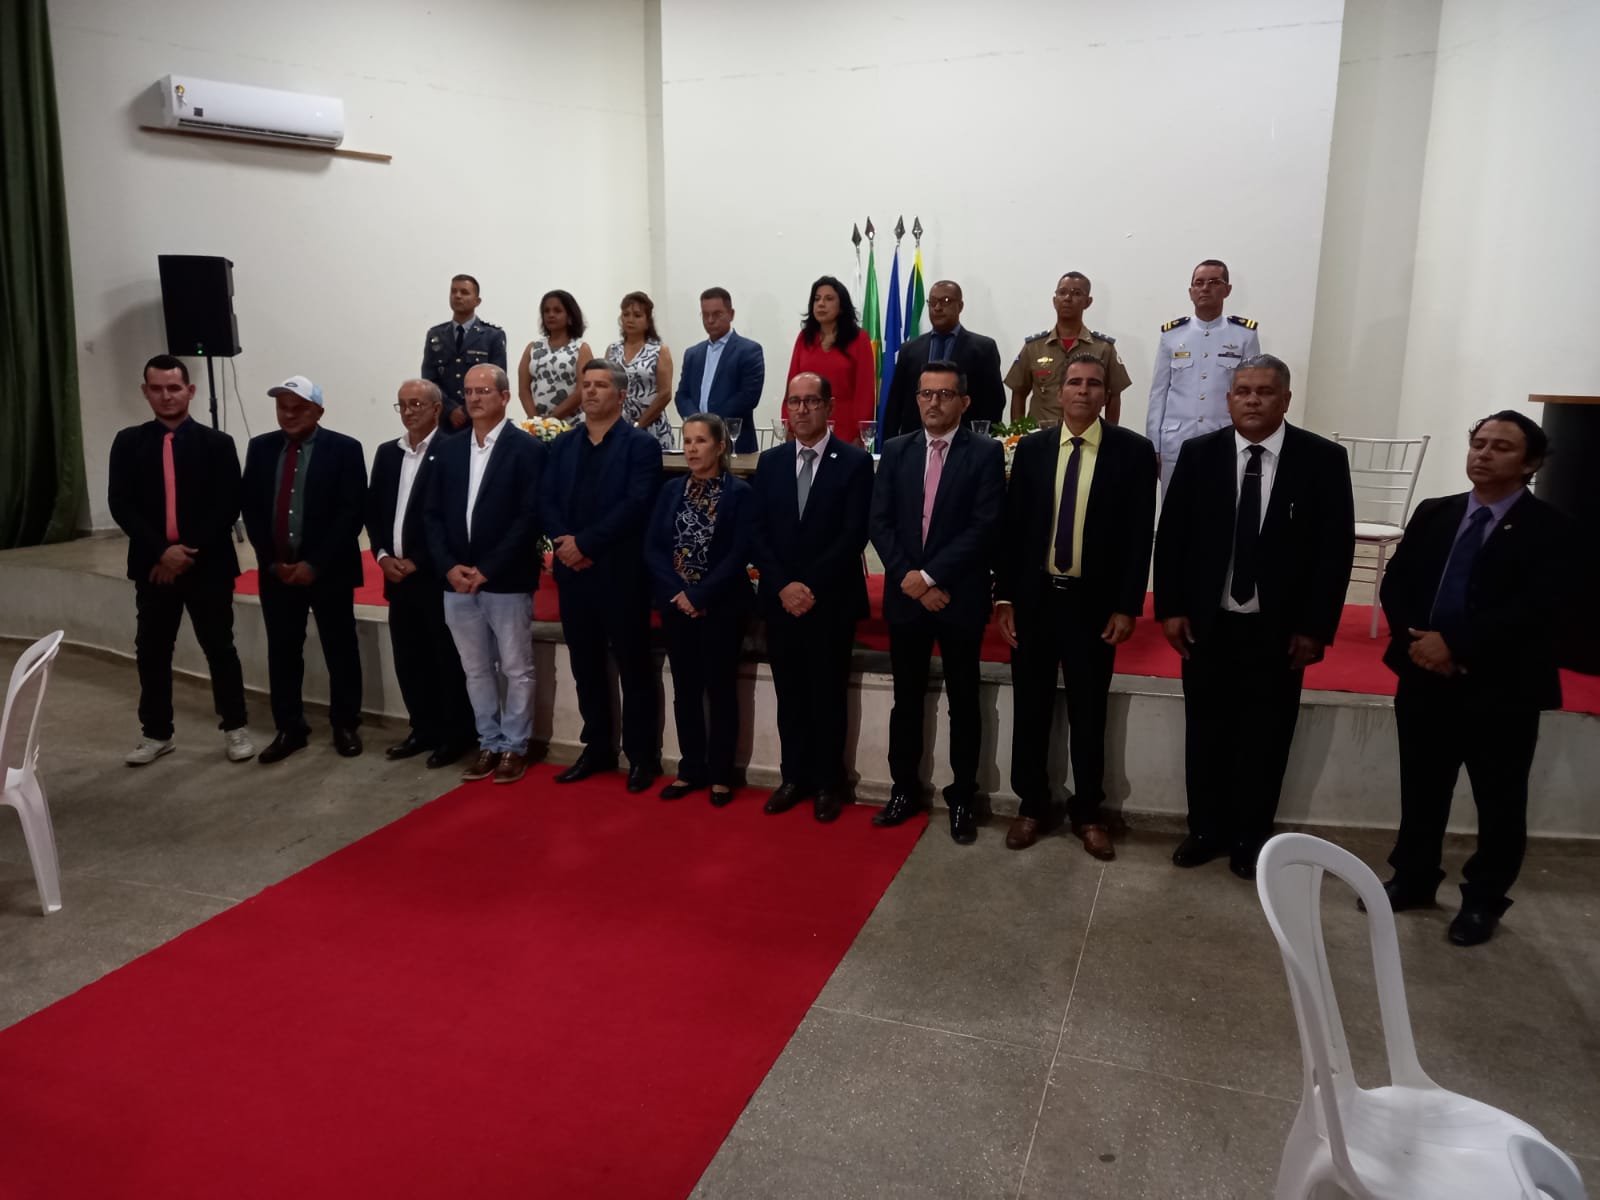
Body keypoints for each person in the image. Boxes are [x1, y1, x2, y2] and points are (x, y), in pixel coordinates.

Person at [1377, 412, 1574, 947]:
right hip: (1424, 677)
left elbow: (1539, 609)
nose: (1484, 454)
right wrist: (1421, 645)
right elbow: (1398, 583)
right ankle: (1414, 877)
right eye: (1479, 443)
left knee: (1499, 799)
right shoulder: (1435, 512)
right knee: (1422, 786)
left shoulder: (1551, 528)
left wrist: (1457, 646)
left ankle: (1483, 899)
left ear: (1531, 462)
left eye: (1501, 447)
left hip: (1501, 687)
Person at [1154, 354, 1354, 878]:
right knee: (1205, 731)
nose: (1252, 400)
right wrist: (1171, 608)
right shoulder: (1199, 454)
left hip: (1279, 629)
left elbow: (1334, 552)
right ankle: (1205, 830)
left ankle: (1251, 837)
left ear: (1285, 399)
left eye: (1264, 392)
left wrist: (1314, 628)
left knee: (1266, 736)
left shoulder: (1322, 459)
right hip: (1208, 623)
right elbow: (1172, 537)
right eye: (1242, 390)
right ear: (1228, 399)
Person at [995, 353, 1157, 858]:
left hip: (1094, 605)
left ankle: (1089, 812)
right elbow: (1014, 527)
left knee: (1089, 711)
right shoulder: (1033, 449)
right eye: (1075, 382)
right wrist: (1005, 596)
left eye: (1094, 384)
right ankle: (1031, 806)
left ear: (1106, 395)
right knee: (1031, 707)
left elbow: (1139, 537)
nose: (1084, 391)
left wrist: (1127, 606)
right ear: (1059, 391)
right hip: (1037, 600)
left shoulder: (1133, 452)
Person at [869, 361, 1006, 844]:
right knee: (905, 701)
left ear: (964, 402)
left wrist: (929, 577)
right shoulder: (896, 450)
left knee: (963, 703)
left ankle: (963, 797)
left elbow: (985, 525)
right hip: (907, 597)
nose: (933, 402)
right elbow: (879, 521)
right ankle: (903, 790)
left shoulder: (985, 453)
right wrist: (911, 578)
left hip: (958, 596)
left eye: (944, 394)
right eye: (926, 393)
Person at [108, 354, 255, 766]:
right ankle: (156, 732)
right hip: (155, 567)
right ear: (145, 392)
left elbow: (227, 504)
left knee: (219, 647)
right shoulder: (128, 442)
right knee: (152, 650)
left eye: (174, 388)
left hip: (207, 564)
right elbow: (121, 504)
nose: (166, 396)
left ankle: (235, 726)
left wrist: (185, 552)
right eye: (157, 389)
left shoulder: (217, 444)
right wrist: (161, 551)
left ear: (190, 391)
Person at [750, 372, 874, 823]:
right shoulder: (771, 462)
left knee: (827, 694)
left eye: (810, 401)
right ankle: (793, 777)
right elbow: (757, 532)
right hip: (781, 600)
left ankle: (828, 783)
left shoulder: (854, 461)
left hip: (830, 601)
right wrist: (783, 585)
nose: (801, 410)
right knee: (790, 694)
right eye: (794, 402)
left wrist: (809, 587)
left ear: (829, 407)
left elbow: (854, 534)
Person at [543, 358, 664, 791]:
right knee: (586, 665)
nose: (590, 391)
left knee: (633, 666)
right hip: (573, 574)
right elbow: (547, 500)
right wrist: (565, 543)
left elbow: (636, 504)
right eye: (586, 384)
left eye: (600, 385)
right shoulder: (563, 444)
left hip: (619, 572)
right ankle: (596, 748)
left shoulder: (640, 446)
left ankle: (642, 757)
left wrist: (586, 544)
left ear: (621, 394)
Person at [422, 364, 547, 784]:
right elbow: (431, 514)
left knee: (516, 668)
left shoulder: (526, 449)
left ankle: (515, 746)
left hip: (505, 579)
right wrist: (449, 566)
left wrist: (488, 569)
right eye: (469, 391)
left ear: (505, 397)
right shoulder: (449, 449)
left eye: (484, 391)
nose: (474, 398)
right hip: (457, 580)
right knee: (475, 669)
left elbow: (529, 517)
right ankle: (488, 742)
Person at [240, 375, 368, 763]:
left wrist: (315, 564)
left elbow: (351, 513)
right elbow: (252, 508)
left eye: (299, 408)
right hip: (278, 572)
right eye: (283, 407)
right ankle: (290, 728)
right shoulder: (261, 448)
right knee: (283, 651)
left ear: (319, 412)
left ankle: (345, 723)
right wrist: (272, 562)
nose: (289, 415)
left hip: (328, 571)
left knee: (340, 648)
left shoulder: (345, 449)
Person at [644, 413, 756, 806]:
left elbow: (740, 551)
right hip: (677, 606)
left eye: (700, 441)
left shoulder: (739, 493)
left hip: (721, 606)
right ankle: (690, 768)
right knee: (686, 690)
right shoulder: (671, 490)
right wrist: (679, 593)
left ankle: (721, 774)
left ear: (720, 446)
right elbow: (653, 546)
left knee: (720, 690)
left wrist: (702, 595)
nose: (691, 449)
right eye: (688, 441)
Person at [365, 378, 476, 770]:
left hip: (433, 575)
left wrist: (420, 560)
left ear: (436, 409)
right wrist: (381, 555)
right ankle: (422, 728)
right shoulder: (387, 453)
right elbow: (375, 510)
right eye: (403, 404)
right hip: (395, 575)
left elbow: (453, 518)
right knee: (409, 657)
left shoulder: (453, 451)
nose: (409, 411)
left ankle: (455, 734)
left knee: (444, 657)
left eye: (417, 404)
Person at [1146, 260, 1261, 491]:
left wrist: (1252, 440)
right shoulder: (1172, 335)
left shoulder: (1244, 335)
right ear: (1191, 292)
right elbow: (1159, 393)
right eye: (1199, 283)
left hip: (1224, 438)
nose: (1205, 288)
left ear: (1227, 289)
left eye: (1214, 282)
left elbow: (1251, 392)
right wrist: (1153, 445)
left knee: (1221, 505)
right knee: (1175, 506)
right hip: (1176, 441)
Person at [879, 280, 1005, 439]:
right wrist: (889, 445)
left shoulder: (983, 349)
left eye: (945, 301)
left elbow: (994, 402)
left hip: (965, 443)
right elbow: (895, 405)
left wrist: (983, 444)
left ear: (960, 306)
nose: (937, 308)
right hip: (916, 443)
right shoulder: (909, 350)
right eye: (932, 302)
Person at [1006, 271, 1132, 427]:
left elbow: (1114, 395)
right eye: (1062, 292)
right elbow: (1018, 393)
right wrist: (1019, 433)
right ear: (1054, 300)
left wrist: (1110, 435)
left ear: (1088, 302)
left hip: (1085, 434)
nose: (1067, 298)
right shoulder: (1034, 347)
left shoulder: (1103, 348)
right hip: (1041, 435)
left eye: (1076, 293)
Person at [786, 275, 876, 446]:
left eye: (828, 299)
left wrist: (860, 433)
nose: (821, 304)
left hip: (846, 430)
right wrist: (789, 427)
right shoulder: (804, 338)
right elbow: (792, 385)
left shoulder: (859, 339)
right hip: (807, 425)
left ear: (841, 306)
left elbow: (864, 392)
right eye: (817, 299)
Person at [675, 287, 766, 455]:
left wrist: (709, 424)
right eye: (705, 315)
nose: (710, 320)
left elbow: (748, 396)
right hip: (697, 444)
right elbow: (682, 395)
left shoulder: (749, 350)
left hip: (735, 443)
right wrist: (697, 422)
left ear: (731, 314)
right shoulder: (692, 354)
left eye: (717, 314)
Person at [421, 274, 508, 433]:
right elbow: (429, 381)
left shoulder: (492, 336)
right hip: (444, 421)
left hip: (480, 419)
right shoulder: (436, 335)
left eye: (464, 292)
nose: (457, 296)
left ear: (477, 301)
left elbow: (497, 382)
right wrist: (451, 409)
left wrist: (467, 410)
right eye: (453, 291)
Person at [604, 291, 675, 451]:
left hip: (652, 427)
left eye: (637, 315)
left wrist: (638, 426)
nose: (630, 320)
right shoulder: (613, 350)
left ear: (648, 321)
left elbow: (665, 394)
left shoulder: (659, 350)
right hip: (618, 428)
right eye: (626, 314)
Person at [518, 289, 593, 419]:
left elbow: (582, 389)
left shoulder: (581, 349)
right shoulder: (532, 348)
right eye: (546, 311)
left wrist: (553, 418)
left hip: (573, 423)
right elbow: (523, 390)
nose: (550, 315)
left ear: (570, 316)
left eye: (557, 311)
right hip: (537, 423)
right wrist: (536, 421)